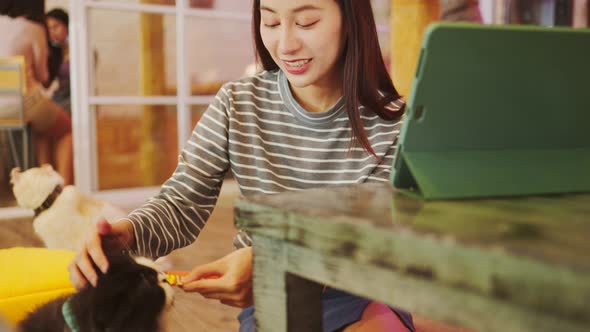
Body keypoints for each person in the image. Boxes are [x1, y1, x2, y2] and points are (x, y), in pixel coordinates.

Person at [69, 1, 414, 331]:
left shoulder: (396, 124)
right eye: (271, 22)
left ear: (351, 20)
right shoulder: (238, 103)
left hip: (360, 290)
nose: (286, 44)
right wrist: (127, 234)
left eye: (307, 22)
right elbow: (181, 202)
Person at [0, 0, 73, 185]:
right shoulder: (33, 27)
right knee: (66, 129)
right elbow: (43, 75)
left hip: (3, 105)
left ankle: (45, 186)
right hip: (24, 101)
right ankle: (63, 188)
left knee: (43, 129)